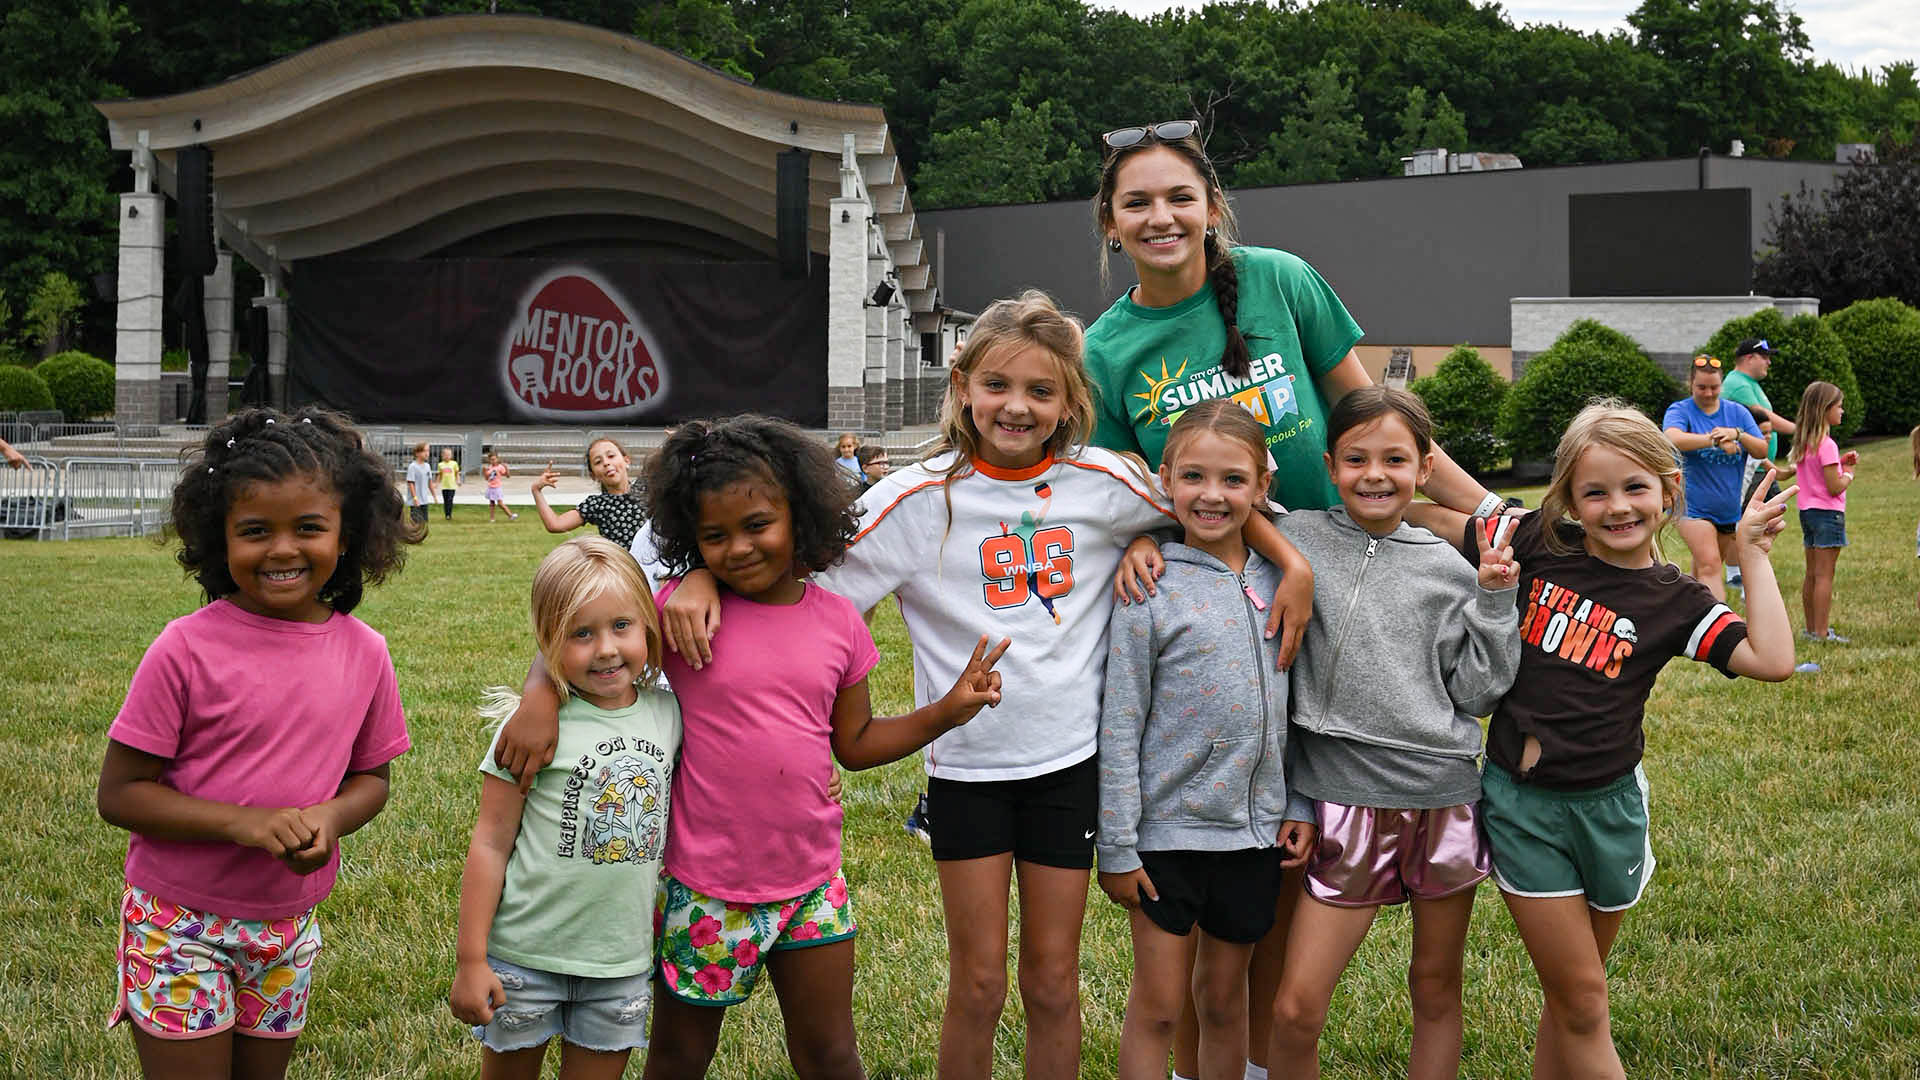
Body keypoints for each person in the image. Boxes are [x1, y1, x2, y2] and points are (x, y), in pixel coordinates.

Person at [653, 290, 1314, 1080]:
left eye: (1042, 391)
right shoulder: (911, 500)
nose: (1017, 407)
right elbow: (789, 567)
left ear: (1072, 400)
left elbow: (1214, 505)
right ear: (962, 382)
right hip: (967, 774)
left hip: (1070, 767)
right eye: (998, 385)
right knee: (978, 984)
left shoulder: (1107, 483)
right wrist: (695, 576)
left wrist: (1288, 560)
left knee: (1052, 982)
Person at [1083, 118, 1513, 1080]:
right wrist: (1250, 553)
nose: (1162, 217)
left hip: (1348, 605)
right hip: (1232, 611)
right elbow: (1133, 500)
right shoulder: (1106, 352)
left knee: (1273, 871)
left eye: (1178, 197)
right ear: (1110, 224)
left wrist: (1490, 513)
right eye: (1138, 202)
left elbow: (1378, 425)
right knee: (1218, 907)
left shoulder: (1282, 280)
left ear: (1212, 208)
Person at [501, 415, 1009, 1080]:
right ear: (690, 537)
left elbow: (852, 744)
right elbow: (587, 636)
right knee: (680, 1056)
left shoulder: (840, 625)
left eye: (756, 525)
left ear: (801, 515)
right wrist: (541, 694)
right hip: (705, 891)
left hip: (811, 888)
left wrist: (945, 712)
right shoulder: (682, 617)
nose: (738, 548)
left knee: (830, 1054)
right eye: (714, 536)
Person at [1410, 401, 1796, 1080]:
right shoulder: (1536, 541)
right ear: (1569, 500)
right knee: (1586, 1002)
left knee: (1570, 1004)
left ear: (1668, 491)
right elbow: (1433, 473)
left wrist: (1755, 555)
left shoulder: (1676, 601)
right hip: (1525, 809)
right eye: (1595, 492)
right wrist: (1371, 471)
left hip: (1612, 813)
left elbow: (1772, 660)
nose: (1618, 507)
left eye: (1635, 487)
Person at [96, 407, 420, 1079]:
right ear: (220, 539)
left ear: (348, 533)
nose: (281, 549)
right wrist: (245, 825)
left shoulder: (365, 653)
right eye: (254, 531)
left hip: (286, 929)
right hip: (178, 924)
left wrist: (331, 818)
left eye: (308, 528)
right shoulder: (184, 648)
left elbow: (372, 780)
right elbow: (120, 794)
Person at [1264, 387, 1520, 1080]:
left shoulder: (1450, 567)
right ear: (1329, 464)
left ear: (1425, 466)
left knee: (1435, 988)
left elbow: (1478, 692)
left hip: (1445, 803)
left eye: (1395, 459)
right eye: (1356, 459)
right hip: (1341, 803)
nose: (1374, 474)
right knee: (1295, 1009)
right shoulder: (1298, 539)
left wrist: (1495, 602)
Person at [1096, 399, 1319, 1080]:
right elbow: (1121, 721)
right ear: (1166, 480)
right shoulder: (1148, 586)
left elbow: (1297, 711)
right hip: (1165, 839)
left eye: (1232, 480)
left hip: (1252, 839)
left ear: (1261, 489)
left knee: (1224, 1003)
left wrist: (1298, 807)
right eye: (1193, 477)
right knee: (1159, 1008)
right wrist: (1118, 843)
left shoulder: (1286, 583)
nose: (1212, 495)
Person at [449, 537, 681, 1079]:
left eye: (622, 626)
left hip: (619, 964)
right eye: (581, 633)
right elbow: (490, 841)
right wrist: (470, 960)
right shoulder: (529, 732)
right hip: (526, 958)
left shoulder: (669, 714)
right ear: (548, 639)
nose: (605, 649)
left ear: (647, 625)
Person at [1663, 356, 1766, 603]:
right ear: (1691, 383)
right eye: (1701, 387)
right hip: (1691, 507)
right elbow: (1672, 438)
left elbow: (1761, 450)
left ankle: (1685, 617)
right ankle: (1722, 630)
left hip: (1727, 509)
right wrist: (1714, 439)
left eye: (1714, 387)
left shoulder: (1737, 412)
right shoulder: (1681, 410)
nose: (1708, 393)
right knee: (1710, 566)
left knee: (1701, 570)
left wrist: (1737, 434)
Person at [1719, 338, 1794, 596]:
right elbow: (1765, 417)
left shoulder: (1748, 384)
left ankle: (1746, 569)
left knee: (1763, 518)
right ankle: (1739, 574)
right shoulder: (1737, 385)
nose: (1769, 362)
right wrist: (1801, 429)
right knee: (1745, 520)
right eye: (1765, 356)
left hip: (1761, 465)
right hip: (1749, 468)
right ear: (1749, 357)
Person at [1789, 381, 1857, 646]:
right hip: (1828, 514)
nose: (1842, 411)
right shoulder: (1827, 444)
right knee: (1825, 575)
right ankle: (1821, 633)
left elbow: (1817, 475)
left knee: (1812, 574)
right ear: (1824, 409)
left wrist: (1840, 463)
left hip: (1808, 512)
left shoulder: (1806, 442)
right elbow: (1833, 486)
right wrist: (1849, 473)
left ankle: (1810, 629)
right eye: (1839, 406)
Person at [532, 436, 646, 549]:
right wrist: (536, 490)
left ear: (626, 460)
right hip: (622, 565)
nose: (606, 463)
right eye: (598, 462)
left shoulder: (648, 490)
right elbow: (555, 525)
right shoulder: (596, 505)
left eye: (611, 456)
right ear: (593, 475)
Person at [482, 452, 519, 523]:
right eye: (491, 460)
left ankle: (510, 515)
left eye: (494, 459)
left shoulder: (500, 467)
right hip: (490, 487)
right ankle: (492, 518)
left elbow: (507, 475)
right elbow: (487, 478)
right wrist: (484, 472)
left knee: (500, 503)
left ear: (497, 459)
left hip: (497, 487)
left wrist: (506, 468)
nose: (493, 461)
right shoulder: (489, 467)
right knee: (492, 503)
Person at [407, 441, 434, 528]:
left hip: (424, 500)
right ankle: (414, 537)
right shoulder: (412, 466)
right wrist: (415, 498)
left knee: (424, 522)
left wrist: (434, 496)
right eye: (424, 451)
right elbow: (411, 483)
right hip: (415, 501)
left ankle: (421, 537)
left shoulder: (427, 466)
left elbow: (429, 482)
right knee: (416, 522)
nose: (427, 453)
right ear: (417, 453)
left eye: (428, 451)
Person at [439, 447, 462, 521]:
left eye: (449, 455)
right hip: (444, 486)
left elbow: (457, 473)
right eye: (445, 455)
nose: (447, 456)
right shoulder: (440, 465)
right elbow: (440, 475)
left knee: (450, 500)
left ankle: (449, 514)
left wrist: (458, 481)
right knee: (445, 500)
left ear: (451, 455)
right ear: (442, 456)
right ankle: (446, 514)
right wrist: (436, 483)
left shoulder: (454, 464)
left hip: (452, 486)